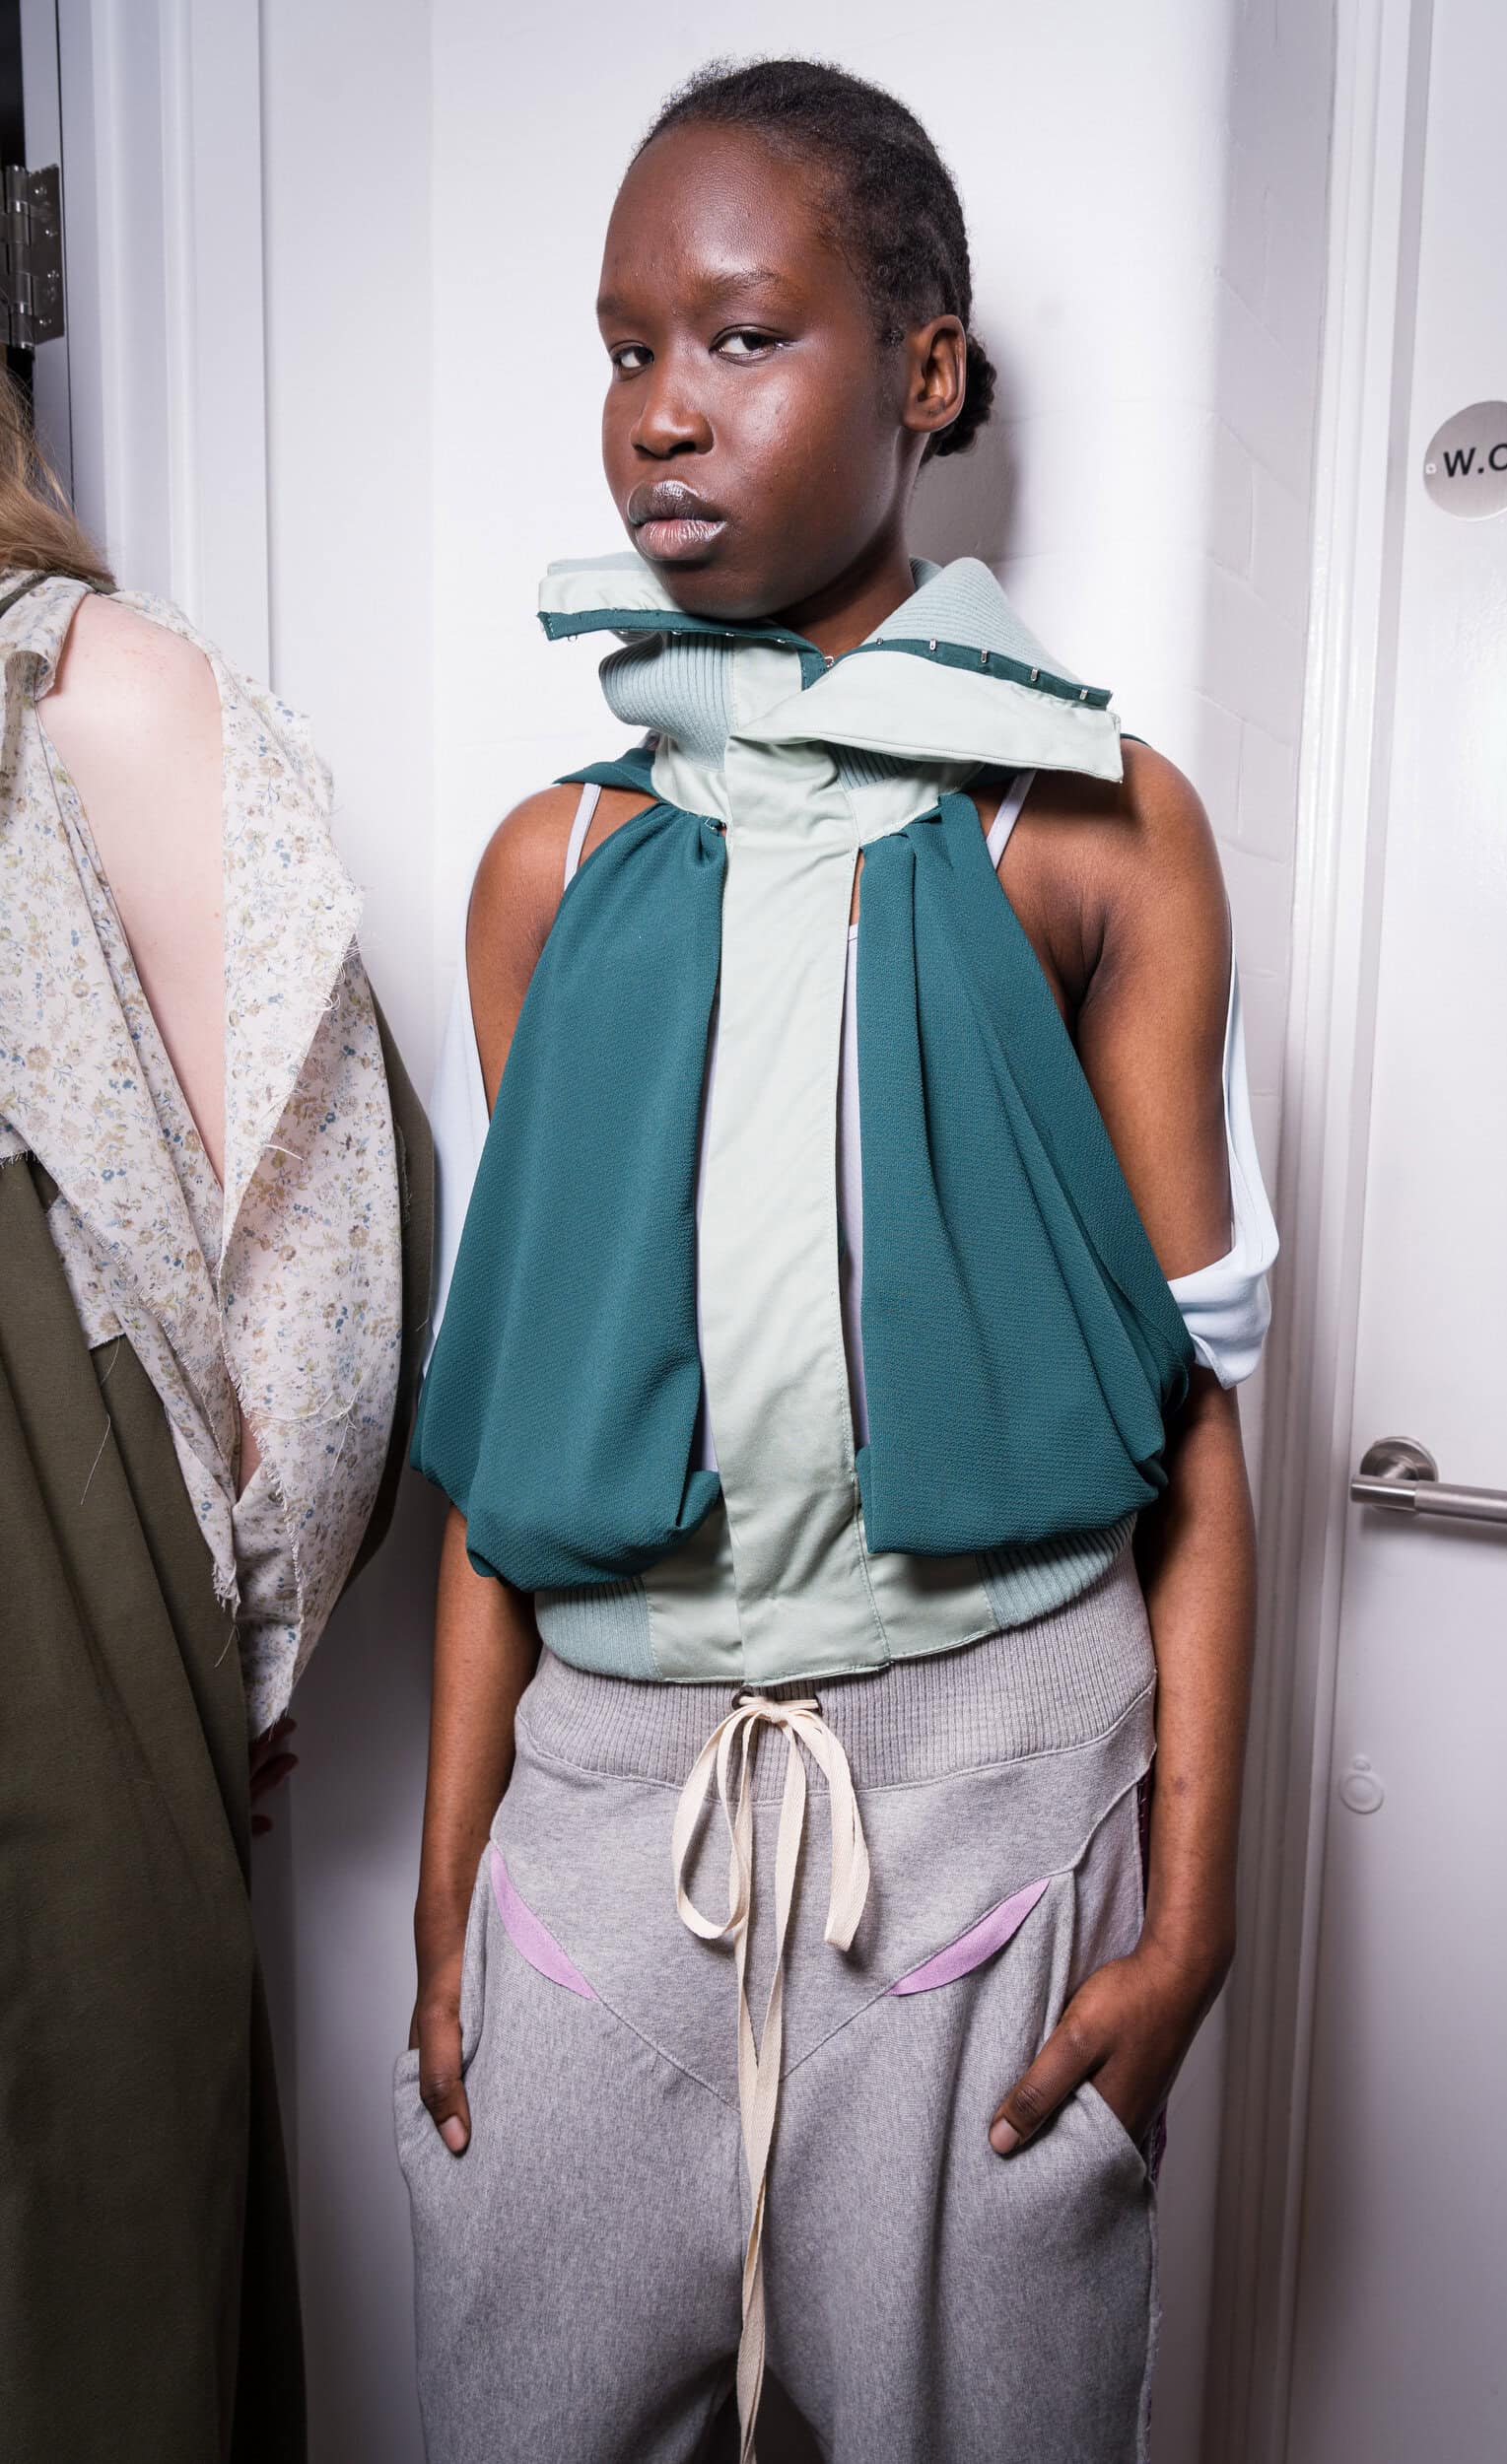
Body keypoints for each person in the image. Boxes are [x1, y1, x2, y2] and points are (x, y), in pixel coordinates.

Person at [400, 55, 1276, 2464]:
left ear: (923, 370)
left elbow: (1194, 1427)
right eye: (624, 349)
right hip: (603, 1826)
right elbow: (513, 1432)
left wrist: (1188, 1916)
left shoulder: (1084, 831)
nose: (662, 412)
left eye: (742, 335)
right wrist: (454, 1879)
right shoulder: (552, 869)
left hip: (988, 1821)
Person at [0, 376, 434, 2461]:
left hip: (45, 1654)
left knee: (78, 2294)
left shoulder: (87, 689)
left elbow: (322, 1259)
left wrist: (217, 1659)